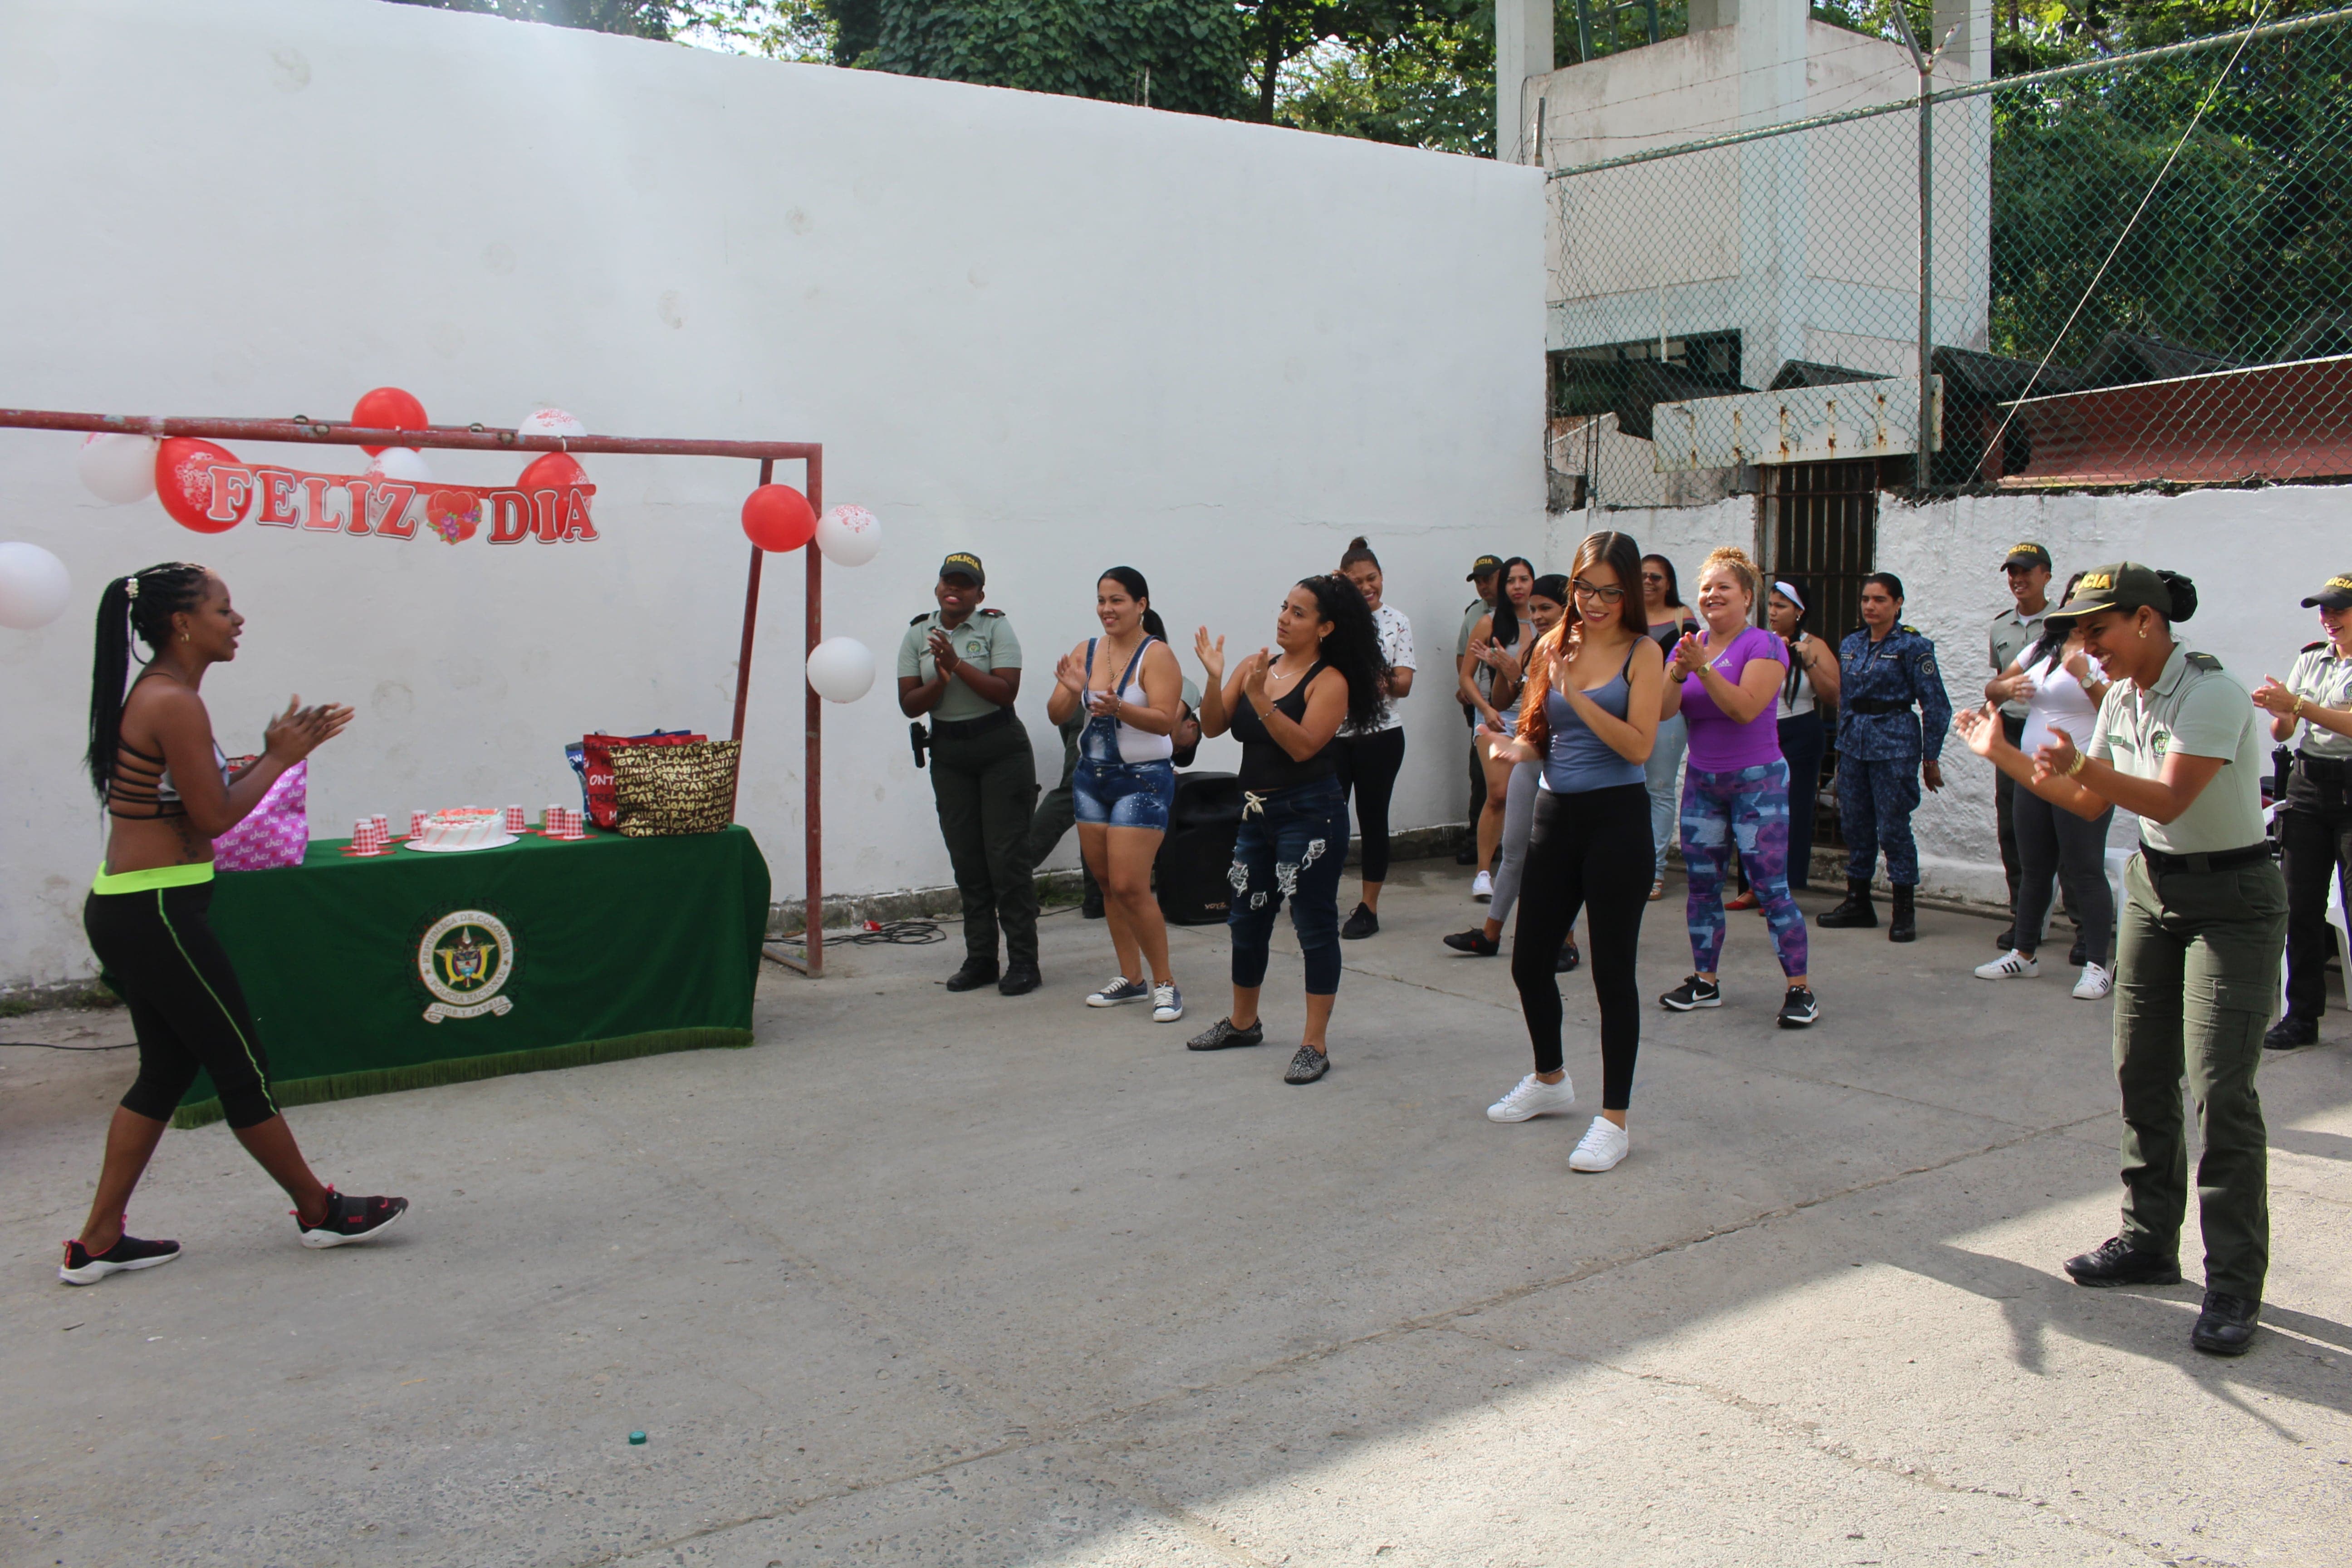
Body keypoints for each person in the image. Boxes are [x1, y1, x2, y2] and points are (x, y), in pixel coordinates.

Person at [1954, 563, 2282, 1357]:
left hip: (2231, 900)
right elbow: (2087, 801)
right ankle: (2147, 1240)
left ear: (2143, 621)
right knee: (2139, 1066)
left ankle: (2232, 1280)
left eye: (2092, 629)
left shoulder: (2208, 693)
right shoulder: (2125, 697)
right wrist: (1996, 751)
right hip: (2154, 891)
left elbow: (2168, 799)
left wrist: (2078, 766)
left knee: (2217, 1087)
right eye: (2074, 631)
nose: (2081, 644)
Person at [64, 563, 407, 1285]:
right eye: (224, 609)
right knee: (240, 1067)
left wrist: (276, 756)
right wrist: (282, 757)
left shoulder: (167, 695)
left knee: (164, 1073)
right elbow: (214, 817)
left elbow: (199, 803)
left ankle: (96, 1242)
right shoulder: (173, 702)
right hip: (153, 909)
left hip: (142, 906)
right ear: (183, 624)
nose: (238, 619)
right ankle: (319, 1211)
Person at [1482, 533, 1665, 1173]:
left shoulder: (1644, 653)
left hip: (1617, 821)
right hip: (1556, 817)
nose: (1595, 603)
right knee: (1529, 961)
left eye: (1611, 592)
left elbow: (1640, 746)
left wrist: (1580, 696)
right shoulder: (1553, 646)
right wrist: (1513, 749)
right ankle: (1551, 1077)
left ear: (1631, 595)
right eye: (1586, 588)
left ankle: (1614, 1119)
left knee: (1612, 973)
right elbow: (1540, 737)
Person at [1185, 577, 1390, 1084]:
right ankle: (1243, 1022)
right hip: (1255, 814)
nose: (1284, 618)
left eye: (1299, 613)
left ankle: (1313, 1045)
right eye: (1284, 607)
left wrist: (1260, 701)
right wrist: (1216, 679)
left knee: (1313, 926)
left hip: (1311, 814)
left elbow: (1303, 747)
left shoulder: (1331, 681)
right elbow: (1211, 726)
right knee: (1245, 917)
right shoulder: (1257, 668)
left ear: (1325, 627)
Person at [1656, 547, 1817, 1028]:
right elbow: (1665, 711)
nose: (1712, 595)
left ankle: (1800, 990)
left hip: (1758, 783)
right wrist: (1682, 670)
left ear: (1747, 597)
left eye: (1724, 587)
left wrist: (1703, 669)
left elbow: (1746, 708)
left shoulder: (1766, 645)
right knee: (1702, 887)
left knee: (1771, 888)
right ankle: (1705, 981)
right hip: (1704, 781)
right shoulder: (1687, 645)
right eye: (1706, 588)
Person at [1047, 568, 1188, 1024]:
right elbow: (1056, 713)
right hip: (1092, 777)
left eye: (1118, 600)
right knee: (1108, 884)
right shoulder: (1085, 651)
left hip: (1142, 779)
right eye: (1102, 600)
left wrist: (1120, 706)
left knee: (1130, 884)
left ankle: (1165, 982)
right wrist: (1073, 693)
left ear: (1141, 604)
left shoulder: (1157, 655)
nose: (1107, 609)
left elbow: (1167, 720)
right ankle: (1131, 979)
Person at [897, 552, 1039, 995]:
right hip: (950, 753)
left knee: (1006, 859)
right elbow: (909, 704)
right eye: (948, 581)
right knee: (967, 860)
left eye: (965, 583)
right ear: (938, 588)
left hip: (1000, 750)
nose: (954, 589)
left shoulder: (995, 627)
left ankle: (1023, 962)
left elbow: (1006, 691)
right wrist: (939, 680)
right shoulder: (919, 633)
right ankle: (981, 958)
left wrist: (957, 665)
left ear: (980, 594)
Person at [1976, 575, 2116, 998]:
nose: (2076, 608)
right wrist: (2006, 687)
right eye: (2073, 600)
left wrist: (2086, 677)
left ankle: (2097, 964)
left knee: (2084, 869)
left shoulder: (2104, 654)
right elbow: (1994, 688)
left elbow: (2117, 707)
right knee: (2034, 867)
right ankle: (2024, 953)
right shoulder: (2044, 648)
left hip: (2081, 773)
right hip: (2032, 773)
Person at [1443, 574, 1579, 972]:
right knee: (1516, 849)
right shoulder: (1539, 646)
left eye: (1545, 609)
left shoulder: (1579, 649)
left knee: (1558, 859)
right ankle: (1490, 934)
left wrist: (1517, 676)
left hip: (1564, 763)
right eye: (1533, 609)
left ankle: (1567, 942)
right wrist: (1506, 671)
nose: (1536, 616)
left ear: (1566, 608)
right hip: (1530, 753)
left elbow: (1568, 706)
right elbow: (1505, 702)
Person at [1817, 573, 1952, 943]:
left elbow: (1936, 705)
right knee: (1855, 825)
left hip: (1894, 743)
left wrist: (1931, 757)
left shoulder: (1913, 647)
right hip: (1854, 745)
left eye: (1879, 600)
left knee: (1893, 828)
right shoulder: (1850, 644)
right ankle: (1858, 901)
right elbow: (1845, 699)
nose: (1870, 607)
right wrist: (1842, 743)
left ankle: (1903, 910)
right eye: (1866, 600)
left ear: (1898, 604)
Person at [2252, 570, 2352, 1049]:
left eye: (2339, 609)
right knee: (2301, 908)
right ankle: (2302, 1016)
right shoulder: (2312, 659)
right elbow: (2285, 732)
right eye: (2325, 610)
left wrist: (2300, 707)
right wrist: (2280, 713)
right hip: (2310, 789)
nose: (2329, 619)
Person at [1335, 539, 1416, 940]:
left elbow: (1403, 684)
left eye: (1373, 579)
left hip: (1381, 737)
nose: (1367, 588)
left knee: (1372, 820)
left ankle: (1369, 907)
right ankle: (1317, 897)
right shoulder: (1329, 620)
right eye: (1356, 582)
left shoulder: (1397, 621)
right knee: (1327, 820)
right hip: (1331, 735)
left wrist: (1369, 676)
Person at [1988, 543, 2056, 948]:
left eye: (2027, 571)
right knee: (2012, 828)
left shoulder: (2062, 625)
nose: (2018, 579)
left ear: (2047, 575)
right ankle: (2023, 918)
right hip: (2012, 733)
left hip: (2051, 733)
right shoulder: (2000, 627)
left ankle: (2080, 923)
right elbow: (1997, 682)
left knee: (2064, 828)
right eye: (2012, 572)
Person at [1461, 557, 1536, 900]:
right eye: (1511, 581)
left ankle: (1519, 868)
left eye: (1524, 579)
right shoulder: (1489, 623)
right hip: (1495, 720)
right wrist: (1487, 708)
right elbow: (1466, 677)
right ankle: (1483, 873)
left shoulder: (1547, 624)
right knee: (1499, 793)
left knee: (1534, 798)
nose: (1518, 586)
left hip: (1535, 720)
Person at [1768, 578, 1838, 893]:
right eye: (1770, 605)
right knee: (1762, 809)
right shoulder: (1760, 641)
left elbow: (1833, 696)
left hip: (1801, 730)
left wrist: (1808, 661)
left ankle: (1789, 883)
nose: (1772, 612)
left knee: (1794, 810)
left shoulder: (1814, 645)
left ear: (1799, 612)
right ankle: (1758, 882)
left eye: (1781, 606)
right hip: (1765, 731)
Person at [1639, 554, 1699, 902]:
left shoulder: (1682, 617)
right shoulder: (1625, 614)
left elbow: (1689, 663)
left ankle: (1655, 873)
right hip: (1625, 709)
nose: (1649, 582)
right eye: (1643, 576)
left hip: (1667, 714)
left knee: (1659, 789)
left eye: (1657, 577)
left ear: (1669, 583)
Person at [1457, 555, 1503, 866]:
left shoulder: (1523, 613)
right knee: (1481, 774)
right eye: (1479, 581)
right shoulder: (1475, 614)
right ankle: (1479, 840)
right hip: (1482, 704)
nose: (1484, 586)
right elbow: (1463, 654)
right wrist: (1465, 685)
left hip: (1515, 703)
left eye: (1489, 578)